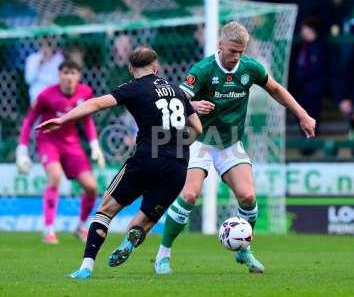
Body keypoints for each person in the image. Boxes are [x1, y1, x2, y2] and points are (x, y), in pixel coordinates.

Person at [115, 21, 316, 275]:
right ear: (220, 45)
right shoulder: (203, 69)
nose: (236, 57)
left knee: (248, 197)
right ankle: (163, 255)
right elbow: (179, 96)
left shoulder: (250, 68)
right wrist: (194, 104)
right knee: (188, 196)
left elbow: (275, 88)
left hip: (230, 142)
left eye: (240, 52)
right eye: (232, 50)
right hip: (199, 142)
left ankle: (244, 251)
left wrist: (303, 114)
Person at [36, 46, 202, 279]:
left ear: (130, 67)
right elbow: (198, 128)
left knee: (106, 210)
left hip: (145, 160)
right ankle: (132, 238)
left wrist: (63, 119)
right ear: (156, 67)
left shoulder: (131, 89)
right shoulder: (177, 90)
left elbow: (95, 104)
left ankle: (86, 267)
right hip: (178, 165)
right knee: (146, 217)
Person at [16, 60, 105, 244]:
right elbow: (29, 121)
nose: (69, 77)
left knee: (92, 187)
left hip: (72, 145)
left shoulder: (85, 92)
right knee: (55, 177)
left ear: (78, 76)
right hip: (49, 142)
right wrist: (22, 149)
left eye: (73, 73)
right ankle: (49, 231)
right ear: (59, 75)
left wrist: (95, 145)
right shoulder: (46, 95)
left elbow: (87, 120)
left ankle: (81, 227)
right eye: (65, 72)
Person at [24, 36, 64, 104]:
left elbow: (60, 81)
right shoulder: (32, 58)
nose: (46, 47)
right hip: (37, 93)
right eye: (43, 44)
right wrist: (40, 62)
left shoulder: (59, 59)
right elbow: (28, 80)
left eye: (49, 44)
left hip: (55, 94)